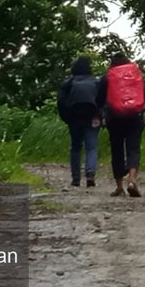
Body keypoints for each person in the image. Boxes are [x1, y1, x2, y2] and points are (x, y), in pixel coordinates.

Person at [98, 51, 145, 198]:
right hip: (135, 117)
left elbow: (99, 98)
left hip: (114, 118)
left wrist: (101, 112)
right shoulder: (136, 74)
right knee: (133, 148)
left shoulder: (107, 76)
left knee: (117, 150)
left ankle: (119, 186)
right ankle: (132, 179)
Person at [56, 55, 101, 188]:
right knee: (91, 147)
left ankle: (76, 178)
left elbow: (60, 102)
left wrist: (67, 118)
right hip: (92, 117)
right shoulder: (96, 82)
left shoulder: (68, 83)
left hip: (74, 119)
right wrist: (100, 117)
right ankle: (90, 174)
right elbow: (102, 101)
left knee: (76, 147)